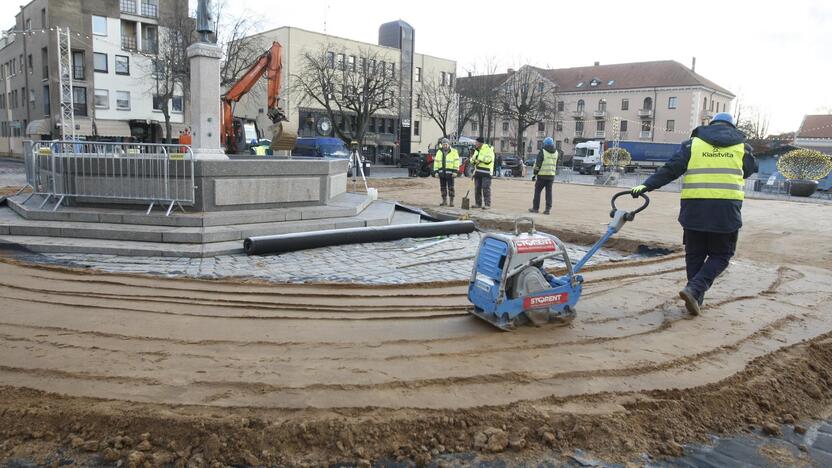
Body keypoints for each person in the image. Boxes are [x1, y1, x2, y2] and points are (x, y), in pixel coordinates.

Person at [630, 112, 757, 316]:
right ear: (732, 127)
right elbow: (750, 170)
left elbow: (671, 170)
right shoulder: (743, 148)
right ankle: (694, 291)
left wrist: (646, 186)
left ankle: (694, 296)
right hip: (725, 212)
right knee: (722, 255)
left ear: (711, 124)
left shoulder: (692, 144)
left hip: (694, 210)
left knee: (695, 255)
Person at [529, 137, 558, 214]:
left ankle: (535, 208)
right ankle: (547, 209)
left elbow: (538, 164)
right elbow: (556, 165)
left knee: (537, 191)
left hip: (542, 176)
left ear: (544, 144)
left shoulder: (542, 151)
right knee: (549, 193)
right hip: (551, 176)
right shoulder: (556, 152)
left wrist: (534, 174)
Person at [432, 138, 460, 206]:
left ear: (449, 144)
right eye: (443, 144)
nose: (445, 146)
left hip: (450, 174)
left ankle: (451, 202)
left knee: (451, 187)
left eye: (446, 144)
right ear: (442, 145)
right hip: (442, 173)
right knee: (443, 188)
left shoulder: (454, 151)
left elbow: (456, 162)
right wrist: (436, 172)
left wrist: (455, 171)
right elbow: (436, 162)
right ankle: (444, 201)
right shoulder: (439, 152)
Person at [470, 136, 495, 209]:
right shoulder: (477, 150)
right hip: (477, 172)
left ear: (480, 143)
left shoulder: (488, 149)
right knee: (477, 188)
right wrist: (473, 160)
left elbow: (488, 159)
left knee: (485, 188)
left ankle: (487, 204)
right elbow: (472, 160)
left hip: (486, 173)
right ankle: (478, 204)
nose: (475, 143)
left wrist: (479, 159)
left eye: (476, 142)